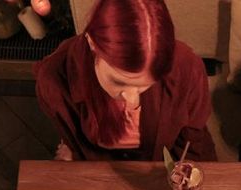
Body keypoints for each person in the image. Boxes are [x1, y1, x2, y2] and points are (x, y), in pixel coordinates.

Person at [35, 0, 216, 162]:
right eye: (119, 82)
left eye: (144, 85)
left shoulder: (187, 67)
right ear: (92, 43)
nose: (131, 100)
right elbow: (76, 144)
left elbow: (192, 139)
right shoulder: (53, 81)